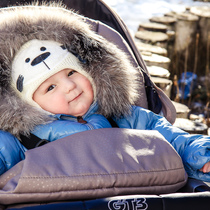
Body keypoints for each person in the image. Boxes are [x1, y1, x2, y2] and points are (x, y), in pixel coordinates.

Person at [0, 4, 210, 182]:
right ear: (31, 105)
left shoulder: (125, 117)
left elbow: (170, 138)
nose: (69, 86)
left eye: (72, 72)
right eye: (50, 87)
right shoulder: (26, 139)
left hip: (132, 193)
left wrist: (197, 153)